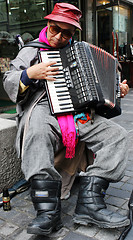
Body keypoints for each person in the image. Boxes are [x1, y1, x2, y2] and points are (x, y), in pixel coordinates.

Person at [3, 2, 130, 236]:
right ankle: (47, 213)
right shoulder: (32, 51)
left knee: (118, 136)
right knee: (37, 133)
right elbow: (8, 80)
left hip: (78, 114)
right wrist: (30, 74)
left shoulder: (81, 52)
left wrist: (117, 91)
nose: (60, 36)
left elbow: (102, 87)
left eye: (67, 33)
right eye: (55, 29)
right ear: (48, 24)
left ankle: (89, 204)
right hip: (42, 108)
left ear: (74, 33)